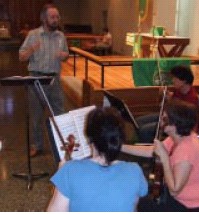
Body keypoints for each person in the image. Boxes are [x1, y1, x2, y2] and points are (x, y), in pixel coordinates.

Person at [122, 100, 199, 211]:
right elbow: (152, 150)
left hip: (195, 206)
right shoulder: (178, 137)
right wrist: (121, 147)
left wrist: (165, 159)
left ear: (175, 125)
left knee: (139, 202)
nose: (161, 122)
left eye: (164, 119)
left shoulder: (186, 150)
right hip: (189, 196)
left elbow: (174, 190)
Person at [47, 107, 148, 212]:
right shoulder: (135, 171)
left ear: (90, 139)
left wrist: (60, 178)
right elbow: (132, 208)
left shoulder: (69, 171)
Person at [19, 4, 69, 157]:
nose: (56, 20)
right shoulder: (33, 35)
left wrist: (64, 56)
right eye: (52, 17)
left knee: (60, 113)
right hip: (36, 79)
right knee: (36, 115)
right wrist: (32, 49)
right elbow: (21, 57)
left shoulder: (60, 36)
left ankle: (64, 144)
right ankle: (37, 145)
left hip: (54, 80)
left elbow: (66, 54)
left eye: (57, 17)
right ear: (44, 19)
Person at [136, 65, 199, 143]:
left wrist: (170, 101)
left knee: (145, 130)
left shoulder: (192, 98)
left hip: (174, 123)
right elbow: (172, 104)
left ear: (184, 81)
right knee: (138, 121)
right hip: (168, 116)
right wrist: (165, 96)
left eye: (175, 78)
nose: (172, 81)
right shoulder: (179, 90)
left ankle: (150, 149)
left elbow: (181, 119)